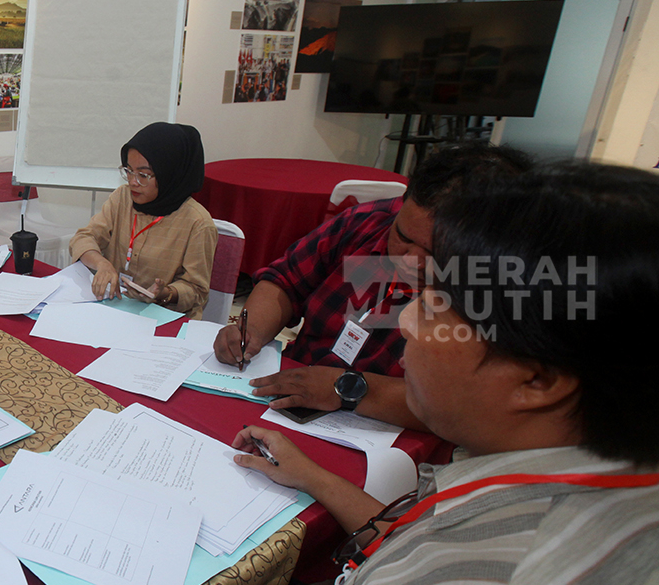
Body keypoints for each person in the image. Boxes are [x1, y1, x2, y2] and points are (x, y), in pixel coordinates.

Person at [168, 162, 659, 585]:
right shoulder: (565, 475)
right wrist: (313, 475)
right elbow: (424, 534)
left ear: (537, 378)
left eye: (435, 307)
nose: (404, 319)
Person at [213, 144, 532, 428]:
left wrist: (347, 389)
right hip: (293, 391)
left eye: (437, 253)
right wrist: (249, 331)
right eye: (404, 238)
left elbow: (465, 407)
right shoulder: (367, 222)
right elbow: (285, 281)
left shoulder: (507, 287)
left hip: (386, 431)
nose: (412, 261)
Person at [70, 122, 218, 318]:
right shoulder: (122, 198)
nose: (132, 182)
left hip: (163, 320)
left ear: (169, 174)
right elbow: (84, 237)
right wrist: (102, 264)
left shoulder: (198, 224)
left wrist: (166, 294)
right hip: (116, 309)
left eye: (143, 175)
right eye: (129, 170)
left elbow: (197, 291)